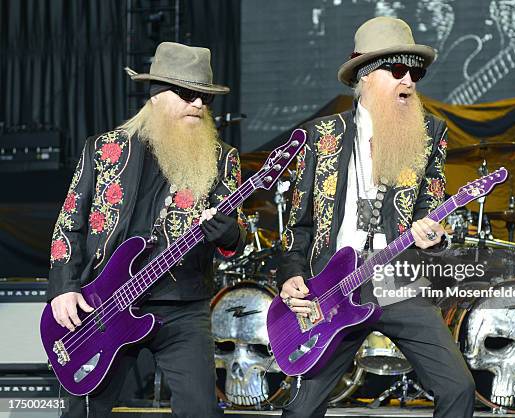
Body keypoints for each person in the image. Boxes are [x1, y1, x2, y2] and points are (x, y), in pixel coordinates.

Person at [277, 17, 475, 417]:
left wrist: (434, 236)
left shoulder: (429, 133)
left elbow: (429, 210)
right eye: (397, 71)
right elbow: (297, 223)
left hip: (398, 282)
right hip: (331, 290)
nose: (410, 81)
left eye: (415, 72)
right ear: (365, 76)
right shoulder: (321, 136)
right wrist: (290, 274)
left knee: (459, 388)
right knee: (301, 411)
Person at [47, 42, 246, 418]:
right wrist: (63, 288)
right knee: (83, 410)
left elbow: (237, 235)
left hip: (182, 306)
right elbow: (68, 223)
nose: (199, 105)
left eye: (205, 97)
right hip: (103, 304)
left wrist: (229, 236)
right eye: (188, 95)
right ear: (156, 95)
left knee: (202, 410)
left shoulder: (223, 159)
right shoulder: (105, 149)